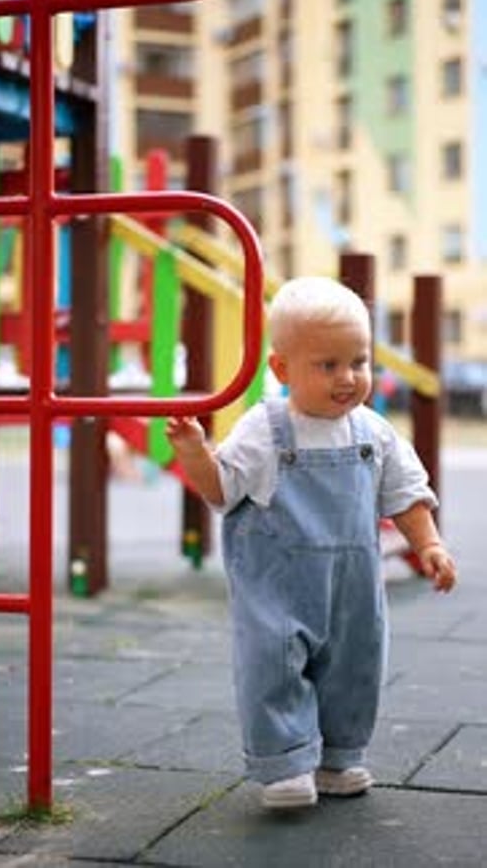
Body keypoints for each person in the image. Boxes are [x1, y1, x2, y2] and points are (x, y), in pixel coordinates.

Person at [166, 276, 457, 810]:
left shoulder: (373, 431)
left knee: (355, 667)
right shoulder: (266, 428)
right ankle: (285, 764)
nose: (348, 378)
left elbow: (407, 495)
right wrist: (195, 453)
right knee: (273, 667)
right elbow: (222, 489)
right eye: (328, 365)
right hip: (278, 585)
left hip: (352, 587)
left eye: (359, 361)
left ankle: (339, 758)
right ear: (282, 370)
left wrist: (429, 545)